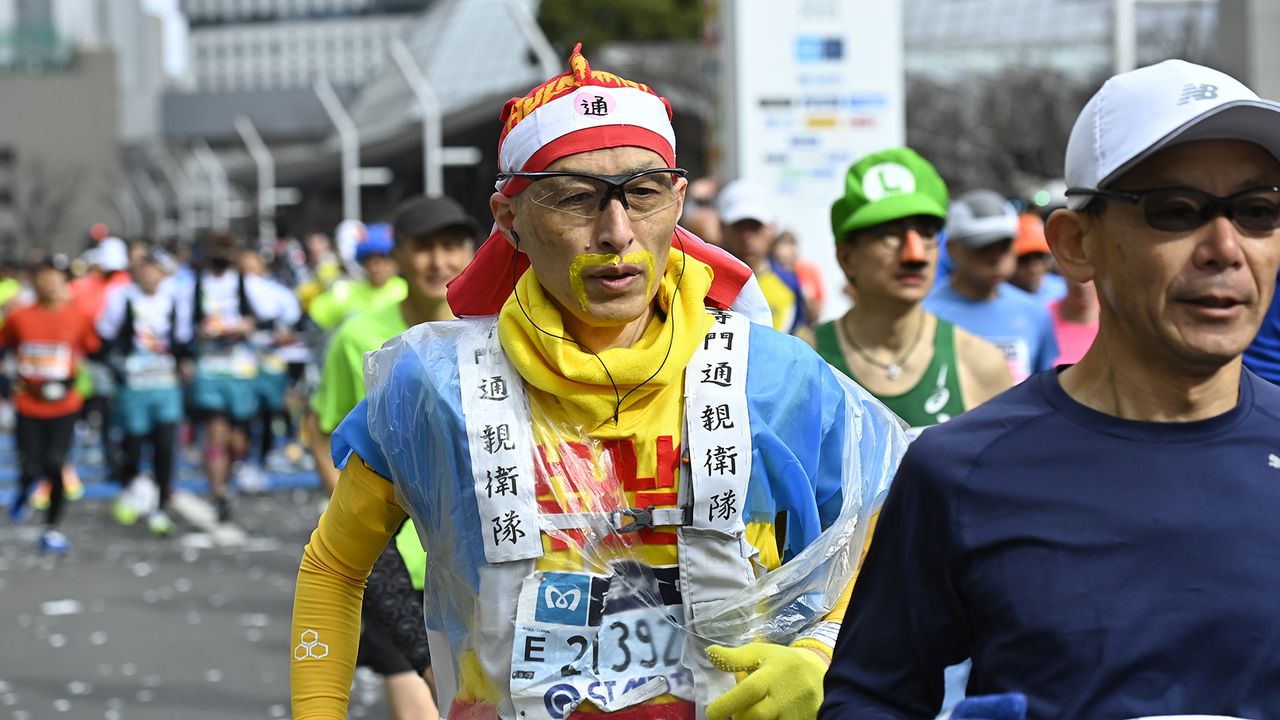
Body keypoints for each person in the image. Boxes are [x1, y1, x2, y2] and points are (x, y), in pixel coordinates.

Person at [292, 44, 904, 720]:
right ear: (509, 220)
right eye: (575, 199)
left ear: (677, 202)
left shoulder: (773, 375)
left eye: (642, 194)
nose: (616, 233)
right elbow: (333, 570)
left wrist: (818, 648)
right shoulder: (434, 385)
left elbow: (889, 522)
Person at [822, 59, 1280, 718]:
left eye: (1258, 211)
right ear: (1075, 244)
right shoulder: (962, 470)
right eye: (1176, 211)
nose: (1225, 248)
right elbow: (871, 701)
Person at [309, 195, 479, 720]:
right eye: (422, 248)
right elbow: (321, 429)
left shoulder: (497, 328)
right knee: (421, 694)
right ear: (397, 256)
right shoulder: (356, 337)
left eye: (451, 247)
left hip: (479, 555)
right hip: (392, 554)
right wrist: (349, 514)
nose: (438, 262)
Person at [814, 147, 1012, 431]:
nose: (915, 255)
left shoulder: (981, 364)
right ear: (846, 257)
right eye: (888, 235)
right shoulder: (806, 361)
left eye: (928, 233)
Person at [3, 257, 100, 552]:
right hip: (28, 404)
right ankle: (23, 490)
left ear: (63, 283)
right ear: (34, 281)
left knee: (55, 463)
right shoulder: (19, 316)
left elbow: (94, 348)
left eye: (56, 277)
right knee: (31, 466)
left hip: (64, 404)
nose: (50, 283)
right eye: (44, 277)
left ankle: (51, 528)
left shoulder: (77, 316)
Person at [96, 247, 191, 534]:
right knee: (133, 445)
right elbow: (105, 336)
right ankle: (132, 486)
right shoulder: (121, 298)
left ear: (163, 274)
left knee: (164, 445)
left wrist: (185, 362)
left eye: (155, 270)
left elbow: (182, 340)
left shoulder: (174, 300)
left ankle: (160, 506)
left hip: (165, 385)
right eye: (145, 268)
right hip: (133, 385)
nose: (150, 275)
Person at [184, 234, 277, 523]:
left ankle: (232, 470)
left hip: (241, 371)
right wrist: (197, 335)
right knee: (216, 432)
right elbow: (183, 327)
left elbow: (272, 314)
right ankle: (218, 491)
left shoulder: (246, 284)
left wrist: (244, 326)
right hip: (210, 370)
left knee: (238, 440)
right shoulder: (194, 285)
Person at [924, 190, 1058, 382]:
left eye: (1003, 245)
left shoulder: (1035, 314)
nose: (996, 257)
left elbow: (1045, 388)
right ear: (952, 249)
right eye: (982, 246)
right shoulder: (924, 314)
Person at [718, 179, 800, 332]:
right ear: (722, 228)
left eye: (755, 227)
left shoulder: (789, 284)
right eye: (739, 227)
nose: (747, 237)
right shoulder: (705, 281)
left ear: (772, 228)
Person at [308, 223, 408, 331]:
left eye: (383, 258)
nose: (375, 267)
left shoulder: (407, 291)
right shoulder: (345, 293)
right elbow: (315, 322)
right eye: (368, 259)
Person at [1008, 213, 1067, 304]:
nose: (1033, 267)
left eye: (1039, 256)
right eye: (1024, 259)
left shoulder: (1063, 290)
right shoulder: (1000, 296)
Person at [1049, 275, 1099, 366]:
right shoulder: (1044, 315)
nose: (1083, 286)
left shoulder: (1117, 318)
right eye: (1077, 279)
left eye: (1091, 279)